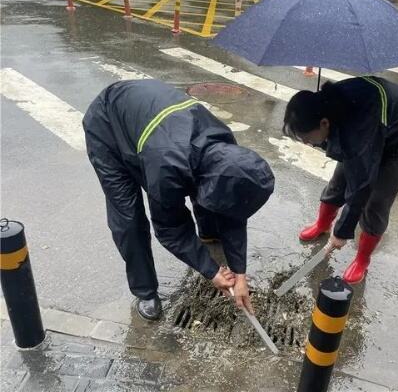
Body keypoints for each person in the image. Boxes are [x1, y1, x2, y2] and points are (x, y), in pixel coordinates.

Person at [83, 79, 275, 320]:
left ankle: (207, 232)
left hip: (153, 121)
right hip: (108, 125)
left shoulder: (226, 146)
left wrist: (240, 272)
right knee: (128, 215)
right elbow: (170, 229)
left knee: (212, 188)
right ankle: (145, 291)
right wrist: (211, 271)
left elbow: (234, 210)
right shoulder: (167, 167)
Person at [283, 76, 398, 284]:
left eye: (308, 139)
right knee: (338, 182)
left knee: (377, 200)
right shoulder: (328, 106)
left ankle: (362, 259)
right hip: (373, 124)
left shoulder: (357, 129)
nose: (307, 144)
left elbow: (362, 183)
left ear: (324, 123)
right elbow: (348, 162)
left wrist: (342, 232)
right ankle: (322, 224)